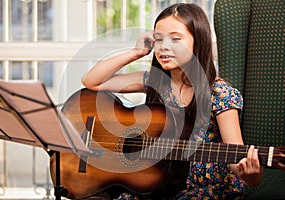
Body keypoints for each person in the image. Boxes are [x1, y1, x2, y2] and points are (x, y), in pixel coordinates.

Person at [82, 3, 263, 199]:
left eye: (175, 39)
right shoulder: (154, 82)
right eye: (159, 39)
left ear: (198, 42)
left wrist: (250, 176)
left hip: (207, 190)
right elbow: (92, 82)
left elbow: (236, 156)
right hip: (162, 183)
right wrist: (136, 53)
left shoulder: (220, 93)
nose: (164, 47)